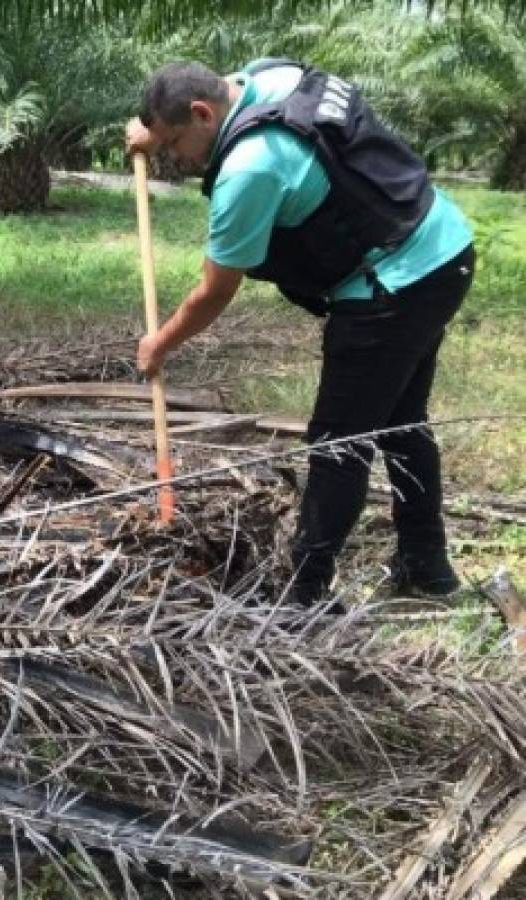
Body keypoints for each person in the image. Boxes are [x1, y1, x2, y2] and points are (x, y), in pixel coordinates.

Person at [126, 59, 475, 607]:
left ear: (202, 112)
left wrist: (159, 342)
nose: (176, 160)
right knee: (402, 420)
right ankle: (427, 568)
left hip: (393, 289)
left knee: (339, 442)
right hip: (441, 247)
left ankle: (302, 595)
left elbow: (214, 292)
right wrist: (151, 130)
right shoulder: (270, 77)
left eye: (175, 144)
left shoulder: (250, 170)